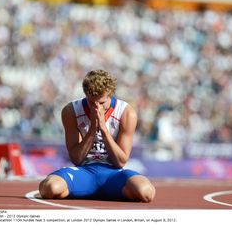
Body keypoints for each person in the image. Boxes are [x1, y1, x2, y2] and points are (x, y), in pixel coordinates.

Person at [39, 69, 155, 202]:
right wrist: (93, 129)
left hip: (113, 174)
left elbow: (121, 161)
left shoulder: (126, 113)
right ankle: (86, 189)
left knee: (146, 192)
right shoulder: (71, 111)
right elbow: (76, 159)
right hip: (84, 172)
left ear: (109, 95)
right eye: (91, 102)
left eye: (101, 103)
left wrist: (104, 130)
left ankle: (97, 191)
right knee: (49, 188)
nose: (96, 108)